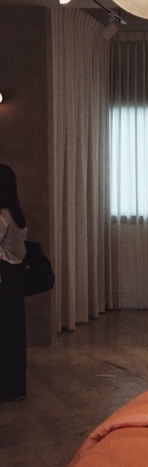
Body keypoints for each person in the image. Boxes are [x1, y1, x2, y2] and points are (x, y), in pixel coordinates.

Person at [0, 163, 28, 401]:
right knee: (14, 334)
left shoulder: (2, 216)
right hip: (15, 278)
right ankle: (15, 387)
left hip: (4, 278)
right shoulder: (17, 214)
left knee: (4, 335)